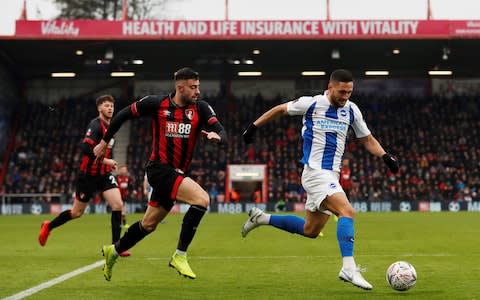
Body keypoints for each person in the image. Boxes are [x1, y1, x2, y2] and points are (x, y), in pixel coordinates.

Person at [241, 69, 399, 290]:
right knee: (347, 212)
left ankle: (262, 218)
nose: (345, 97)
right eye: (342, 92)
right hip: (316, 172)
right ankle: (348, 268)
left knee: (311, 230)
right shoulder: (312, 103)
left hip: (331, 175)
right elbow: (280, 109)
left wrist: (385, 156)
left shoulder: (352, 110)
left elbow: (367, 138)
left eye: (349, 92)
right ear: (330, 86)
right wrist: (253, 127)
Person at [94, 67, 227, 281]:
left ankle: (114, 251)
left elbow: (223, 132)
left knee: (148, 225)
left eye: (198, 87)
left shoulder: (201, 108)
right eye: (193, 87)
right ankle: (180, 255)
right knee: (202, 199)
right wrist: (102, 142)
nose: (197, 91)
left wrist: (217, 137)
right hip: (159, 169)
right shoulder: (157, 104)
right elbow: (122, 115)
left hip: (176, 173)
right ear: (180, 87)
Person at [38, 94, 131, 257]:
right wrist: (107, 161)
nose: (110, 108)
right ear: (99, 108)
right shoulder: (95, 125)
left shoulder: (112, 126)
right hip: (88, 176)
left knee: (118, 205)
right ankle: (48, 226)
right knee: (76, 213)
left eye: (112, 106)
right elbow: (86, 149)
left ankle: (116, 247)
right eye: (106, 105)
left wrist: (107, 163)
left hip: (104, 175)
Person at [116, 165, 131, 229]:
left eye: (125, 169)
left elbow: (130, 186)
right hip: (118, 196)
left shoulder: (128, 178)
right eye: (123, 169)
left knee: (121, 210)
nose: (125, 171)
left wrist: (132, 191)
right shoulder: (117, 178)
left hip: (124, 197)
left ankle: (119, 223)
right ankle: (122, 223)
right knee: (122, 210)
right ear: (120, 170)